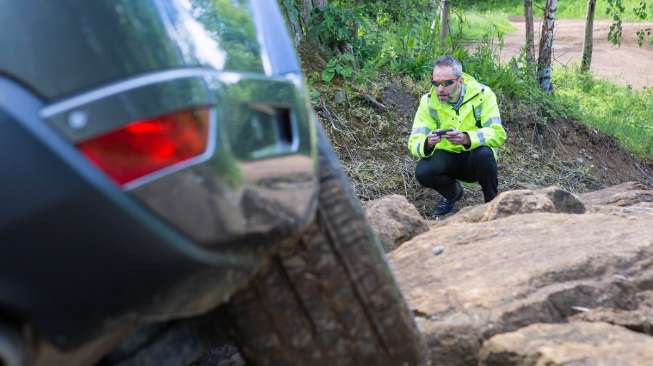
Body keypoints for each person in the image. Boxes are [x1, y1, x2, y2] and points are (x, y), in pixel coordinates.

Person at [407, 55, 507, 216]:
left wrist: (468, 138)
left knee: (485, 154)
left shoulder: (484, 94)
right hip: (446, 158)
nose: (440, 89)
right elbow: (414, 141)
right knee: (423, 172)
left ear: (460, 81)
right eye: (435, 83)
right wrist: (428, 143)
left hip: (475, 158)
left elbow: (498, 133)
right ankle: (452, 194)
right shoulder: (427, 101)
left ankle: (491, 202)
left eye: (446, 83)